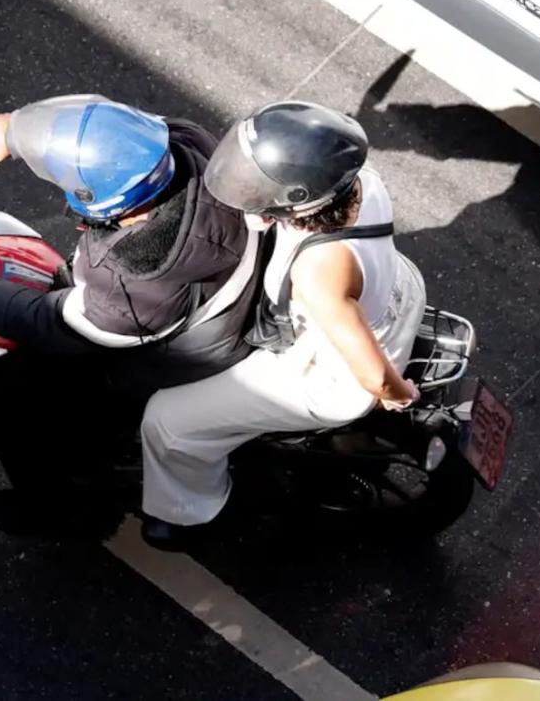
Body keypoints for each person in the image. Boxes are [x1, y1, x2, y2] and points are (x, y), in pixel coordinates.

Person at [0, 95, 258, 534]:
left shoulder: (135, 285)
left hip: (167, 357)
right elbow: (111, 126)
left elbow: (52, 323)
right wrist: (17, 131)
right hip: (210, 291)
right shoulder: (184, 145)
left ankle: (60, 510)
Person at [137, 101, 427, 551]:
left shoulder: (320, 270)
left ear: (299, 200)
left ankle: (190, 513)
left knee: (167, 421)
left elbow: (370, 375)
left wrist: (397, 394)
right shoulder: (361, 182)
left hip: (327, 374)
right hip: (398, 295)